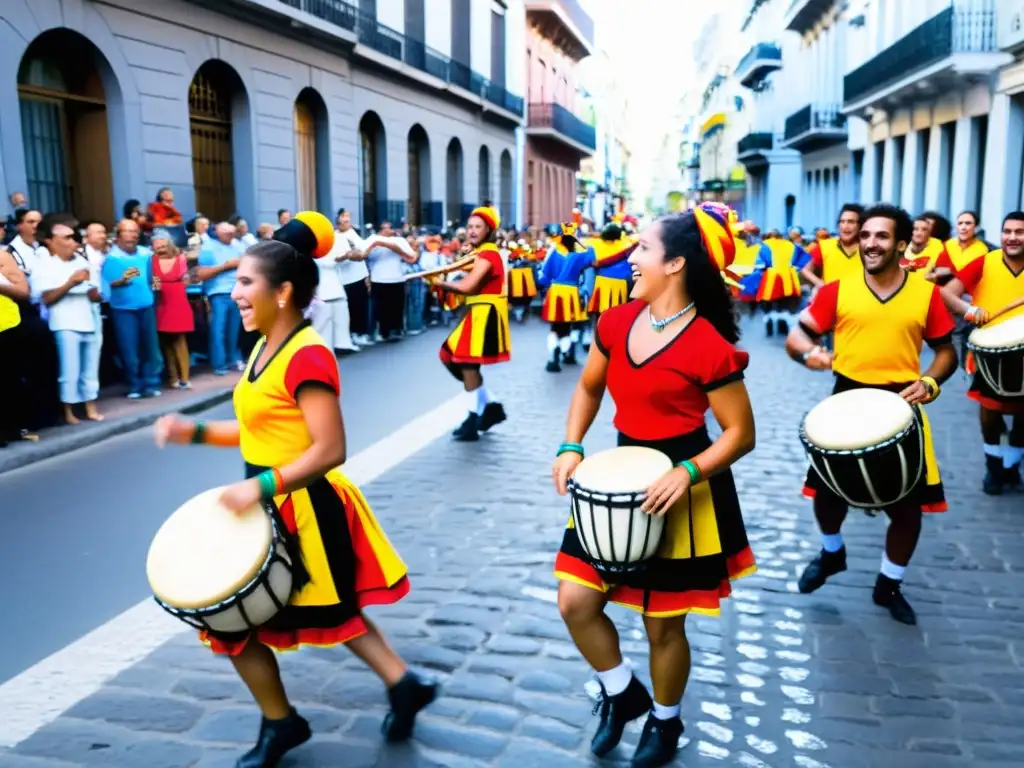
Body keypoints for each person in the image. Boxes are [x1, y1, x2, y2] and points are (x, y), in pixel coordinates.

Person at [153, 212, 435, 768]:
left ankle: (285, 723)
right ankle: (394, 688)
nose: (234, 293)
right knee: (305, 616)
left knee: (240, 621)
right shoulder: (262, 348)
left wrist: (255, 487)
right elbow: (262, 431)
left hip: (304, 504)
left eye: (244, 283)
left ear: (283, 293)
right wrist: (196, 431)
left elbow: (329, 450)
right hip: (271, 499)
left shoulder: (308, 355)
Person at [551, 210, 757, 767]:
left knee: (662, 625)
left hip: (682, 487)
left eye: (641, 249)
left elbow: (741, 434)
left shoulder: (709, 345)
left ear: (674, 264)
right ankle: (621, 693)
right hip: (617, 475)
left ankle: (665, 723)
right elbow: (589, 389)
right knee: (575, 600)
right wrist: (572, 445)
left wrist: (687, 472)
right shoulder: (615, 322)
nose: (629, 258)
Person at [785, 204, 958, 626]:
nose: (870, 243)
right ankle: (831, 554)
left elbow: (946, 352)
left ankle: (889, 584)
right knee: (828, 496)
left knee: (906, 509)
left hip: (903, 404)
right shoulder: (836, 290)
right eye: (864, 236)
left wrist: (931, 383)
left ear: (902, 244)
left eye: (881, 236)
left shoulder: (925, 293)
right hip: (846, 398)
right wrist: (808, 354)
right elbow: (798, 334)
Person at [939, 210, 1024, 495]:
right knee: (990, 413)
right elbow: (947, 293)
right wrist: (970, 310)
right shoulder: (985, 261)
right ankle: (993, 465)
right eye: (1007, 231)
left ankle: (1011, 465)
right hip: (990, 350)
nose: (1012, 237)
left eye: (1019, 232)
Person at [430, 205, 510, 441]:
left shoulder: (488, 254)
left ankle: (473, 418)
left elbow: (468, 286)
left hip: (485, 313)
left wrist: (439, 283)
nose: (473, 230)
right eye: (470, 226)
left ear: (488, 230)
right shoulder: (478, 253)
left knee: (466, 365)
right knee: (450, 357)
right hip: (475, 312)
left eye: (478, 227)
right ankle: (490, 405)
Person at [538, 220, 593, 372]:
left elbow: (545, 275)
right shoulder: (580, 254)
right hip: (571, 292)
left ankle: (553, 358)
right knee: (568, 327)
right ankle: (566, 353)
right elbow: (592, 259)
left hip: (555, 291)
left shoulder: (554, 252)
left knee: (555, 327)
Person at [800, 203, 865, 290]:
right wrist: (821, 285)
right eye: (842, 221)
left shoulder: (868, 247)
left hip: (860, 299)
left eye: (851, 222)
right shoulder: (825, 246)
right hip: (832, 300)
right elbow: (805, 268)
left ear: (861, 225)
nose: (845, 226)